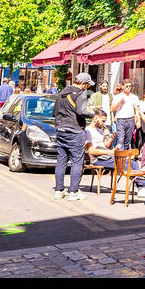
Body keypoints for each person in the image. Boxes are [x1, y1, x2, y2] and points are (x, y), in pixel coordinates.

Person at [53, 72, 95, 201]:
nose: (87, 88)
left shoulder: (61, 93)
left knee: (61, 161)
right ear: (82, 84)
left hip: (60, 129)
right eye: (87, 85)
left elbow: (54, 112)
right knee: (77, 161)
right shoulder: (80, 94)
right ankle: (74, 191)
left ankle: (59, 190)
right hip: (74, 130)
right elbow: (81, 112)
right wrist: (92, 114)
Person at [111, 81, 139, 150]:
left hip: (130, 119)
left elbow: (137, 109)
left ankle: (125, 157)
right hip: (120, 120)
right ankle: (119, 157)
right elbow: (111, 109)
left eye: (130, 86)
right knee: (120, 140)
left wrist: (138, 120)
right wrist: (119, 103)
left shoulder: (134, 97)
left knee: (127, 140)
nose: (128, 88)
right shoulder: (118, 96)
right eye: (127, 86)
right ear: (123, 87)